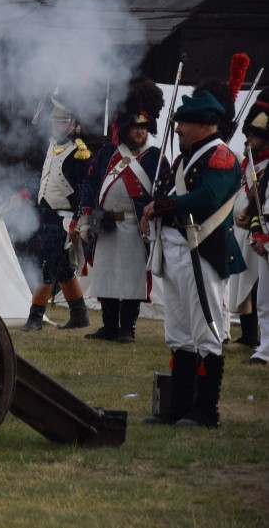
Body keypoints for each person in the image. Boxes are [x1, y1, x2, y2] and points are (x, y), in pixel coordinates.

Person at [140, 89, 246, 427]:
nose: (178, 128)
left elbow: (208, 197)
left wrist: (161, 206)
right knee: (179, 332)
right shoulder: (185, 159)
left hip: (203, 250)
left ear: (203, 125)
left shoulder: (221, 157)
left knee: (207, 333)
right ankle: (180, 406)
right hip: (175, 250)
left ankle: (205, 411)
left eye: (183, 122)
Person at [78, 77, 167, 343]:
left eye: (144, 127)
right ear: (126, 127)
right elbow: (90, 184)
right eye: (135, 127)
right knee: (105, 278)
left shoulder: (155, 158)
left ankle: (127, 328)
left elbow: (162, 192)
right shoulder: (107, 152)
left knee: (131, 280)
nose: (140, 132)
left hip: (135, 226)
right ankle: (108, 327)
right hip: (105, 224)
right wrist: (85, 216)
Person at [21, 95, 91, 332]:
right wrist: (23, 194)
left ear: (72, 124)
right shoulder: (51, 146)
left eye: (62, 122)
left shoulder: (79, 152)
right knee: (62, 270)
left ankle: (35, 318)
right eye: (54, 122)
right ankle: (80, 315)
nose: (57, 126)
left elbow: (84, 190)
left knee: (45, 265)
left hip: (64, 220)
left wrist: (78, 221)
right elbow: (44, 179)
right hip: (47, 215)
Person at [240, 89, 269, 366]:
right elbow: (262, 207)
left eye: (255, 135)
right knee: (264, 300)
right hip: (263, 236)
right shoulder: (256, 165)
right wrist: (259, 232)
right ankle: (264, 350)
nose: (249, 140)